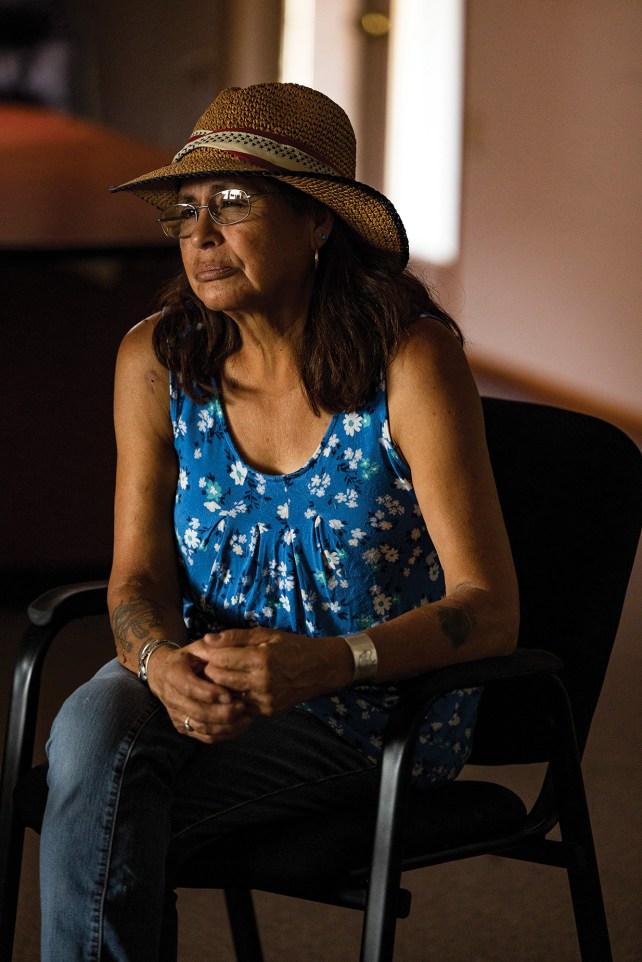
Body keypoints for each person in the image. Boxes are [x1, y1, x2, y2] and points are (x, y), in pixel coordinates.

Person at [39, 82, 519, 961]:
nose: (201, 235)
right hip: (198, 680)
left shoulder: (412, 362)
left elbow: (489, 607)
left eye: (233, 202)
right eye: (186, 211)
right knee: (89, 726)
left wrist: (331, 663)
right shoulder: (156, 359)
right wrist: (155, 660)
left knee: (103, 813)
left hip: (372, 708)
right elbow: (137, 578)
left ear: (318, 222)